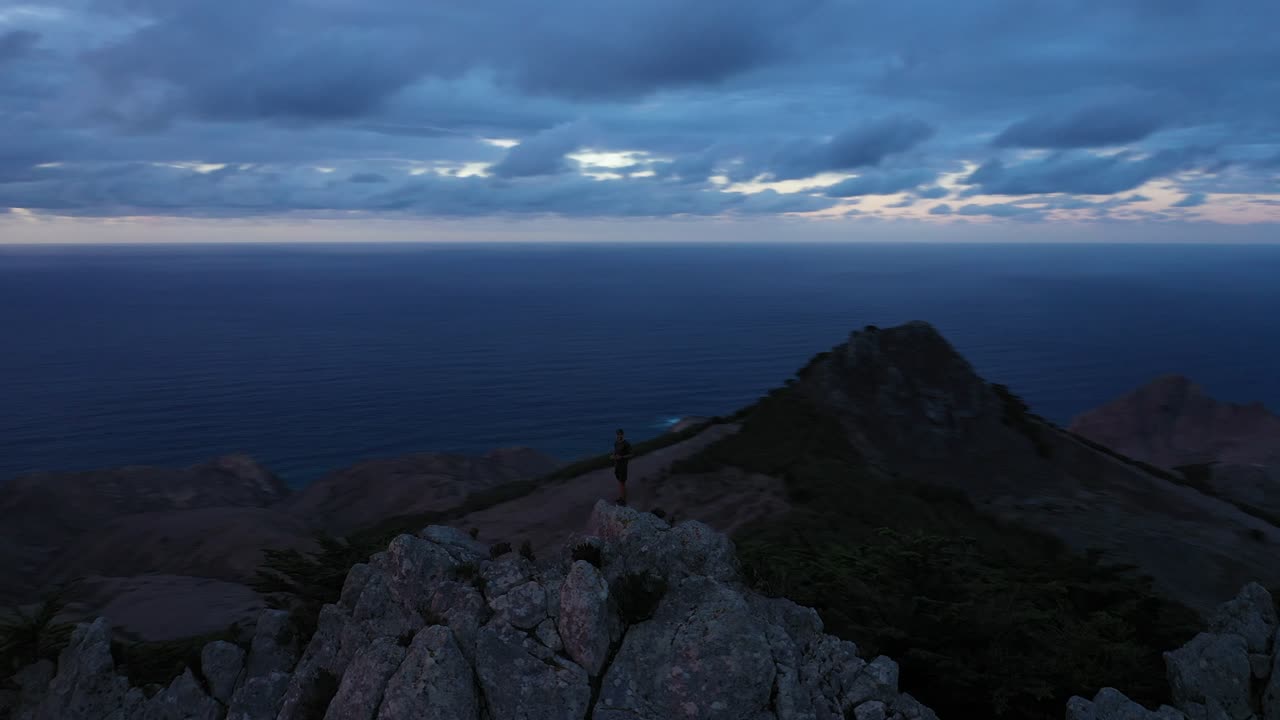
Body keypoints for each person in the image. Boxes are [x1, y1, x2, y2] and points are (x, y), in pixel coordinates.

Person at [610, 428, 633, 505]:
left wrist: (622, 457)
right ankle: (621, 498)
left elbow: (631, 454)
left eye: (620, 434)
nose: (618, 436)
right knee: (620, 482)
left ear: (623, 434)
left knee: (622, 482)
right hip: (617, 465)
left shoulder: (626, 443)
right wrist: (613, 456)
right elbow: (615, 451)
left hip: (623, 465)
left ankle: (624, 500)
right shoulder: (616, 443)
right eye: (617, 434)